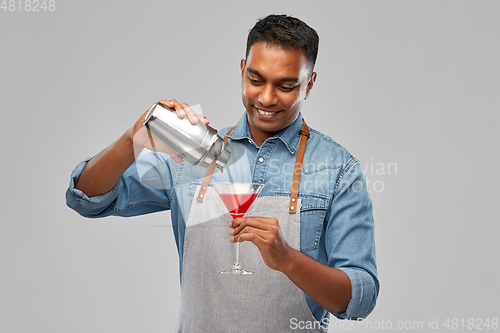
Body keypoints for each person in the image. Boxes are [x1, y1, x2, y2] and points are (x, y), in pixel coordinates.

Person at [66, 14, 379, 332]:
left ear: (309, 84)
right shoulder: (192, 152)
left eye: (286, 86)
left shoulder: (338, 170)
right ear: (242, 71)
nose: (266, 98)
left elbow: (359, 299)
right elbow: (86, 198)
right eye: (256, 80)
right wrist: (135, 136)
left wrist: (288, 260)